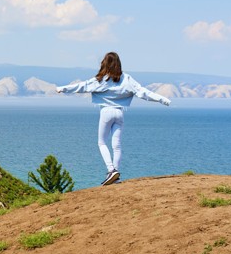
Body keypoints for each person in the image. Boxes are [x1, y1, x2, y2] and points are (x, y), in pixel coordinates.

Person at [56, 52, 171, 186]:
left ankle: (111, 170)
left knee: (101, 142)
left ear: (104, 63)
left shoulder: (100, 79)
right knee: (117, 145)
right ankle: (115, 175)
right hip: (119, 113)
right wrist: (162, 99)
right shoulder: (127, 79)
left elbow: (81, 86)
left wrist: (61, 89)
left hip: (106, 112)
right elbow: (143, 92)